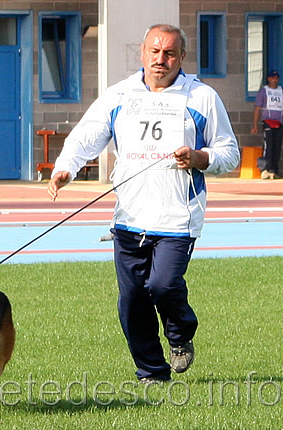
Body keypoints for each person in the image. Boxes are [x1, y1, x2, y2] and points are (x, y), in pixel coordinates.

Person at [48, 24, 239, 384]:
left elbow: (229, 153)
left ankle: (181, 333)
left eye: (169, 53)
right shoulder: (120, 95)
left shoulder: (203, 98)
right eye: (154, 51)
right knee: (133, 298)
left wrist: (199, 157)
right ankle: (152, 372)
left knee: (164, 285)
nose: (161, 59)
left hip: (177, 216)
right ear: (142, 53)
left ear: (182, 57)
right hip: (130, 217)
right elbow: (87, 135)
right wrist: (65, 168)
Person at [251, 70, 282, 179]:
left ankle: (274, 170)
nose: (275, 80)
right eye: (272, 78)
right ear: (268, 79)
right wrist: (255, 125)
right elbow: (257, 108)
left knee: (277, 147)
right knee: (268, 146)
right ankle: (264, 169)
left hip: (279, 123)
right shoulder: (264, 91)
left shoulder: (281, 91)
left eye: (276, 78)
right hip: (268, 121)